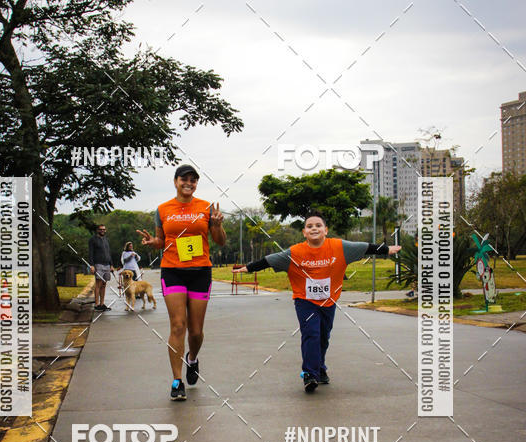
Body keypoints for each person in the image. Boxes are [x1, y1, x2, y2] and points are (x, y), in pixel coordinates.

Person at [234, 210, 402, 393]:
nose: (314, 228)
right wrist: (248, 268)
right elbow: (270, 260)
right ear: (304, 232)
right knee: (311, 334)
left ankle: (320, 369)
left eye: (318, 225)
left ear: (326, 230)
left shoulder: (340, 247)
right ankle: (309, 374)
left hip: (328, 302)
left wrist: (387, 250)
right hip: (305, 301)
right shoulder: (295, 252)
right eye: (309, 226)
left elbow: (365, 247)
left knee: (323, 337)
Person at [137, 164, 226, 400]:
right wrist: (152, 242)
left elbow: (220, 242)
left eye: (193, 180)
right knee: (178, 325)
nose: (189, 183)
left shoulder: (206, 208)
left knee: (195, 332)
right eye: (184, 179)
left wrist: (217, 225)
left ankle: (192, 358)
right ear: (175, 181)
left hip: (200, 272)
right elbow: (160, 240)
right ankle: (177, 381)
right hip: (173, 270)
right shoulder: (163, 209)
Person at [88, 223, 114, 311]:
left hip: (107, 264)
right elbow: (90, 253)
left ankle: (102, 304)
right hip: (98, 264)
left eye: (104, 229)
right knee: (98, 284)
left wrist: (111, 265)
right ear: (97, 230)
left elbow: (108, 252)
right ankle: (97, 304)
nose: (102, 231)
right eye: (101, 229)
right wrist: (91, 265)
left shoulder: (106, 239)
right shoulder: (93, 240)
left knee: (104, 284)